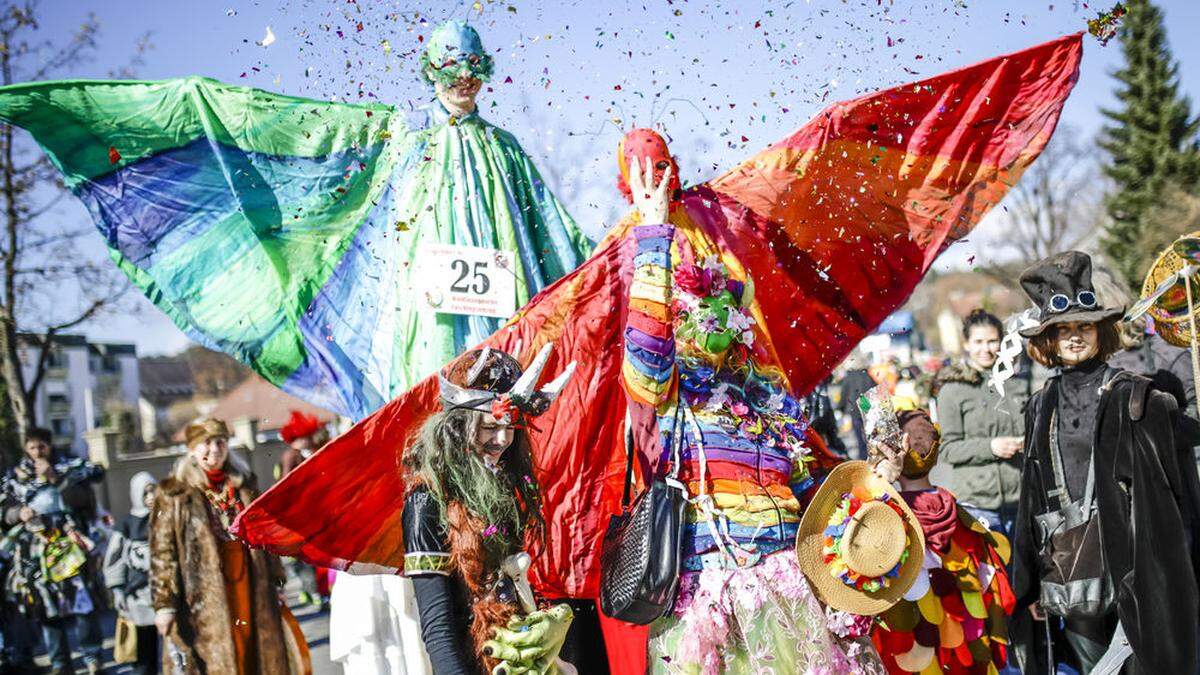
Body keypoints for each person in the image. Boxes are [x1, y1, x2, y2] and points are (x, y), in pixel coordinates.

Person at [0, 19, 592, 422]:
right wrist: (209, 112)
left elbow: (555, 232)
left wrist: (628, 243)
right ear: (432, 76)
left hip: (502, 311)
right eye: (451, 74)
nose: (463, 85)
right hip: (431, 316)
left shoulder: (506, 149)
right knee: (441, 415)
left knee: (505, 409)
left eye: (472, 74)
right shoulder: (403, 143)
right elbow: (307, 137)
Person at [620, 145, 888, 673]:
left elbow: (812, 484)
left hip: (792, 592)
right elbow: (648, 348)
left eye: (727, 310)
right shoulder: (672, 393)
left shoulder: (765, 393)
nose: (715, 323)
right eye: (696, 310)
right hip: (715, 603)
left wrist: (860, 527)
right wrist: (654, 235)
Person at [1010, 251, 1200, 674]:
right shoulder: (1040, 405)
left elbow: (1177, 463)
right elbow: (1032, 496)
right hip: (1071, 570)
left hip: (1133, 570)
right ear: (1048, 340)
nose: (1075, 336)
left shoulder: (1133, 393)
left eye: (1084, 326)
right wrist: (1030, 583)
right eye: (1063, 329)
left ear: (1100, 331)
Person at [402, 345, 587, 675]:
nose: (502, 440)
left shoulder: (501, 484)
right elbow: (438, 629)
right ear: (458, 426)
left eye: (511, 428)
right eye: (489, 426)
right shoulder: (426, 502)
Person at [150, 418, 309, 674]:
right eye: (206, 443)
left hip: (248, 582)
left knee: (252, 653)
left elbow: (265, 535)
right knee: (216, 658)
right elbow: (162, 553)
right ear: (192, 448)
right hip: (202, 596)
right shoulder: (174, 493)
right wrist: (164, 605)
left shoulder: (244, 484)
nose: (214, 449)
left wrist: (277, 582)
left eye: (220, 442)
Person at [871, 408, 1016, 674]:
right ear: (935, 453)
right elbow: (993, 587)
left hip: (920, 643)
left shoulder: (892, 516)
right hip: (967, 638)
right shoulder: (960, 513)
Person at [0, 427, 105, 675]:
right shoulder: (15, 477)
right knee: (46, 607)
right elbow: (5, 511)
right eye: (33, 447)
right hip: (36, 551)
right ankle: (60, 662)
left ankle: (93, 658)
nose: (37, 452)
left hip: (70, 546)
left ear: (50, 446)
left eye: (42, 447)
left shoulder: (67, 468)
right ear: (26, 448)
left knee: (83, 603)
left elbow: (84, 497)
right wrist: (18, 514)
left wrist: (57, 480)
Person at [933, 309, 1027, 539]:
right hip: (978, 504)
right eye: (978, 342)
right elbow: (947, 449)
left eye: (992, 341)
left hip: (1022, 499)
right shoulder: (952, 390)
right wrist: (991, 447)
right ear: (966, 344)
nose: (986, 349)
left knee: (1022, 574)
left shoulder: (1017, 385)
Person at [104, 472, 159, 675]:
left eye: (153, 490)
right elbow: (114, 559)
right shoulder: (127, 524)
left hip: (164, 594)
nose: (151, 496)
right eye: (145, 492)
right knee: (143, 655)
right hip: (139, 597)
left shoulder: (166, 518)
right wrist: (117, 590)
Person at [839, 357, 878, 460]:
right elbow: (875, 390)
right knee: (869, 434)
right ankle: (872, 455)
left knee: (858, 436)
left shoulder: (849, 377)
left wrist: (841, 408)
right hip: (866, 408)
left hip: (854, 409)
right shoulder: (867, 375)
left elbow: (844, 393)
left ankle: (862, 457)